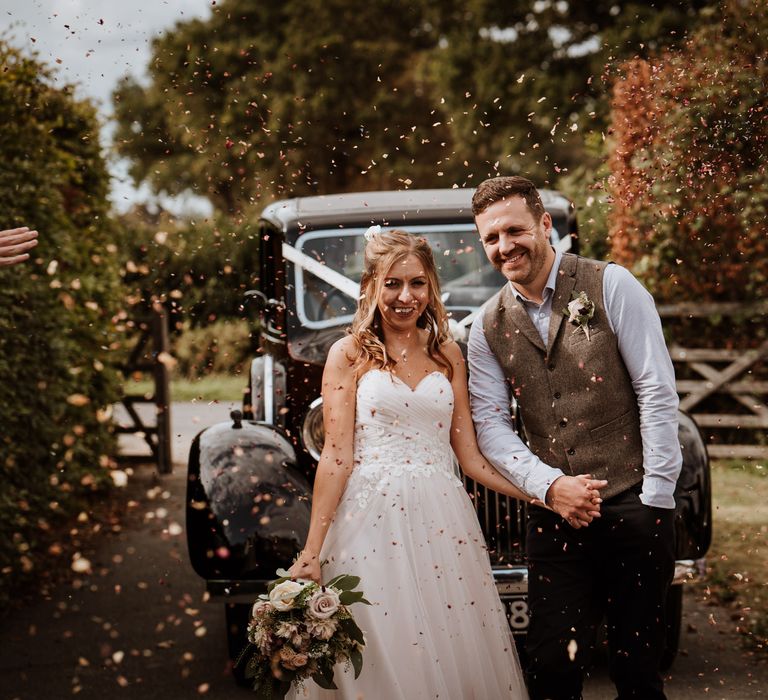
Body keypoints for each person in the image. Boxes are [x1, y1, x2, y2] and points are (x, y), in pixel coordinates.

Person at [288, 227, 604, 699]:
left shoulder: (447, 354)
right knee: (380, 650)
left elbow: (472, 458)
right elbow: (335, 457)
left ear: (431, 287)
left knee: (446, 644)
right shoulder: (348, 353)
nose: (405, 296)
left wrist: (547, 493)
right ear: (371, 286)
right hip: (368, 524)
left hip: (442, 523)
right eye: (392, 283)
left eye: (417, 283)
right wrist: (312, 553)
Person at [468, 175, 682, 700]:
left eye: (514, 230)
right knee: (552, 667)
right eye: (491, 238)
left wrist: (654, 496)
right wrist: (549, 487)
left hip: (635, 503)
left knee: (637, 673)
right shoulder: (486, 326)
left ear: (545, 225)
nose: (505, 246)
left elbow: (656, 389)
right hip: (556, 518)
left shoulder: (611, 285)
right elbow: (491, 425)